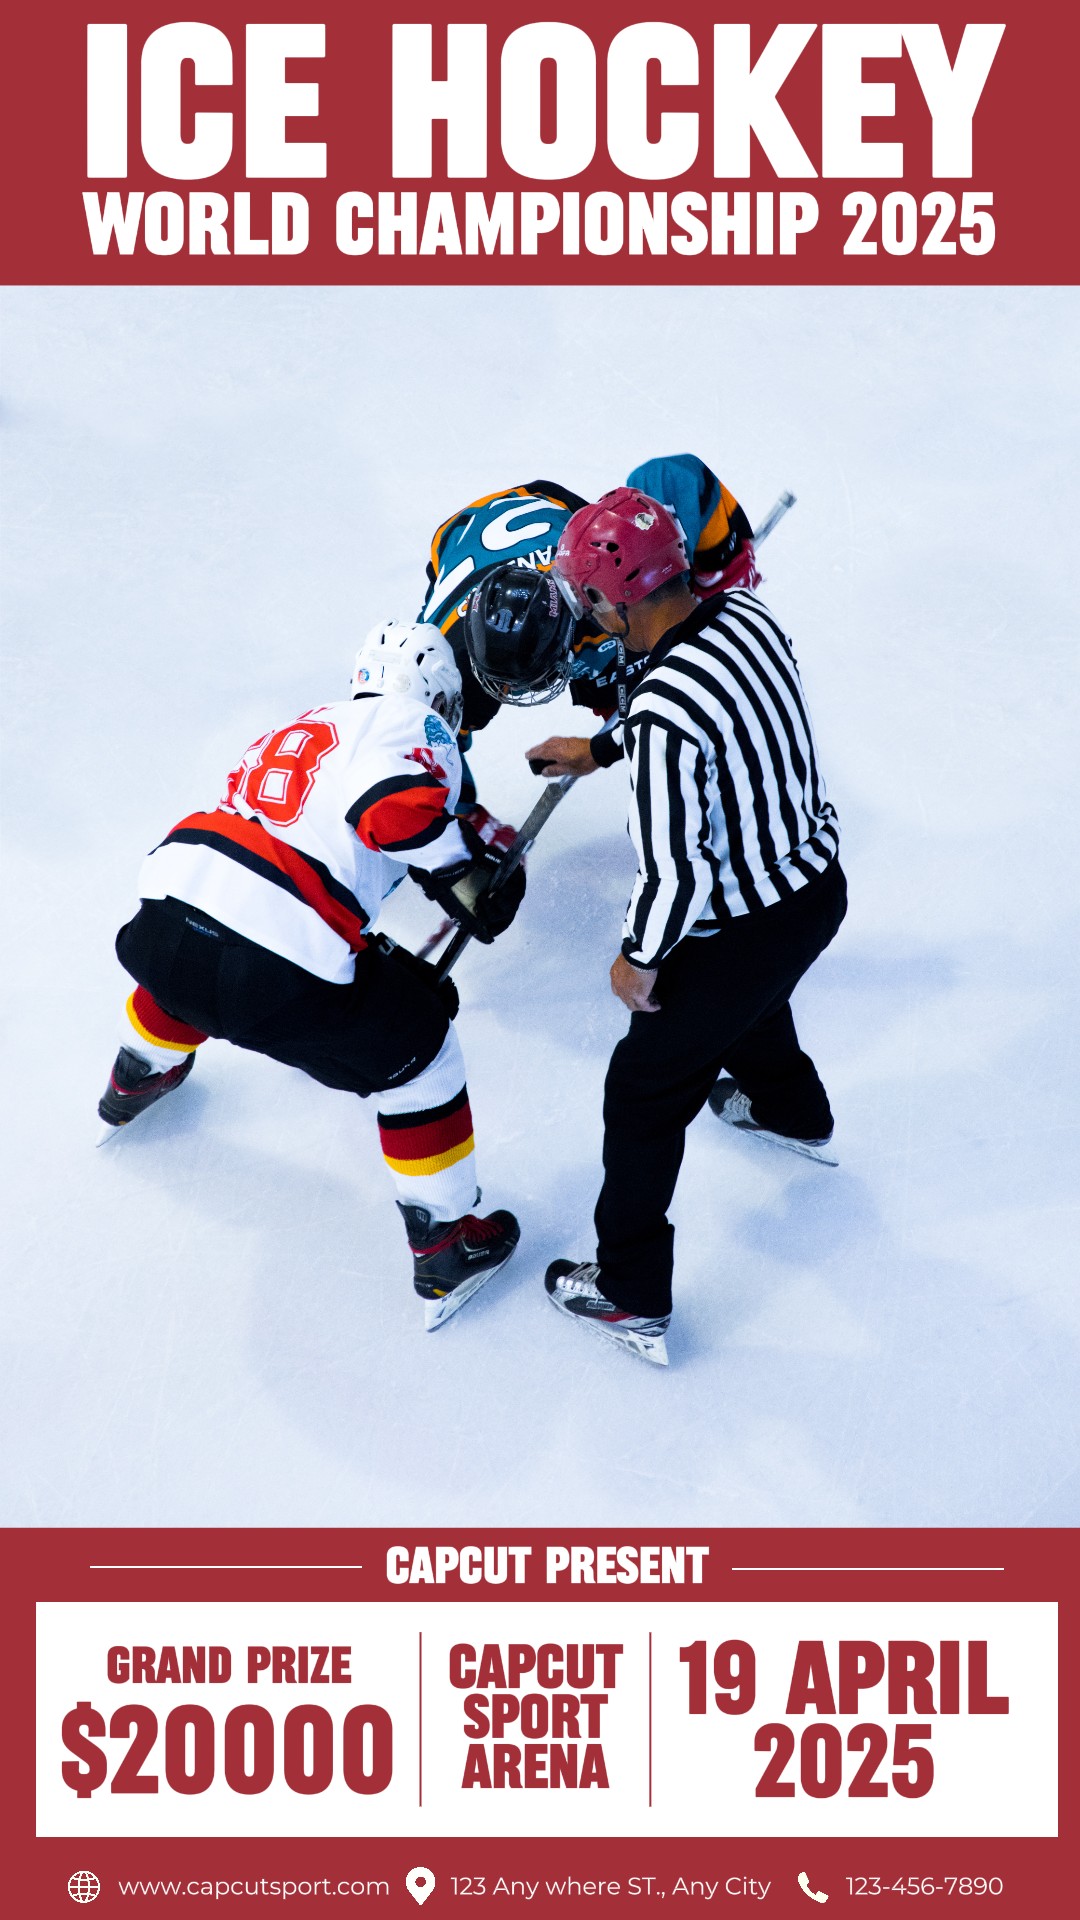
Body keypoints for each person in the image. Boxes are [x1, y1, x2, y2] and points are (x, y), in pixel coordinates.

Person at [96, 623, 525, 1330]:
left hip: (170, 913)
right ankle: (447, 1244)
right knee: (424, 1059)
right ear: (436, 694)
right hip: (271, 957)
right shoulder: (411, 720)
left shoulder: (308, 723)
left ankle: (135, 1073)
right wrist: (463, 873)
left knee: (201, 964)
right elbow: (390, 809)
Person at [541, 489, 847, 1367]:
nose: (587, 613)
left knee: (642, 1092)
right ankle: (793, 1114)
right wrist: (597, 748)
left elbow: (678, 875)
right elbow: (701, 717)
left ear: (620, 601)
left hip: (743, 922)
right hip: (814, 889)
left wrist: (637, 961)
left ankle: (630, 1293)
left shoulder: (667, 711)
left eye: (590, 598)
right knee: (750, 996)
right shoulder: (744, 615)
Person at [416, 455, 760, 814]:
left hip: (557, 527)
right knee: (438, 718)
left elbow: (673, 476)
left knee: (664, 627)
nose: (509, 694)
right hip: (467, 540)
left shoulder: (607, 588)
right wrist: (466, 823)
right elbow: (420, 744)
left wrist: (719, 574)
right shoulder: (441, 663)